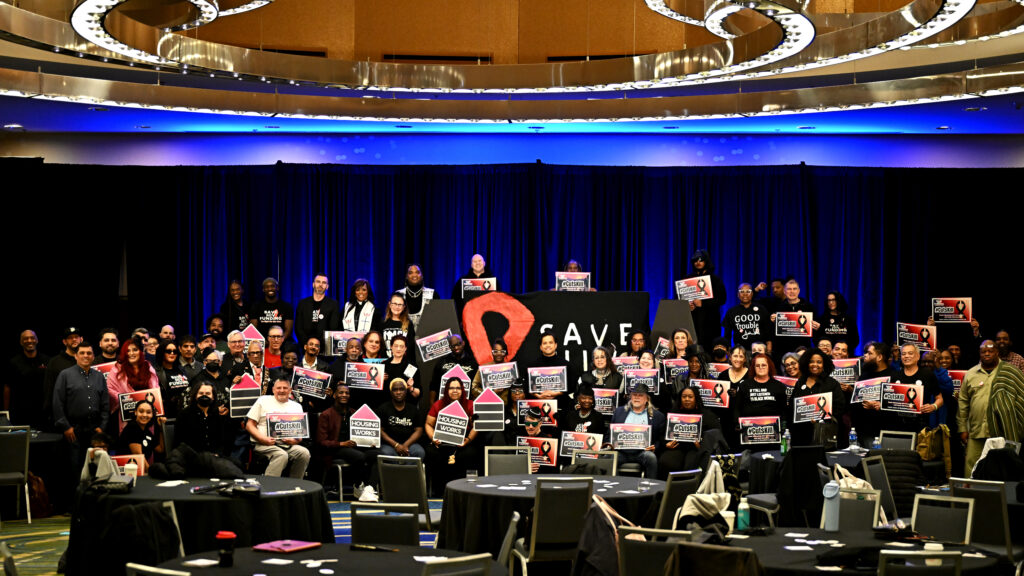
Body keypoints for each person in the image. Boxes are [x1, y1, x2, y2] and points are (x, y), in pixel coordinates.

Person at [53, 341, 108, 477]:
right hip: (73, 430)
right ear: (76, 356)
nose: (85, 356)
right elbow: (57, 403)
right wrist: (66, 427)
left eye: (89, 353)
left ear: (93, 356)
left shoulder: (99, 376)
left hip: (94, 430)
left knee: (96, 469)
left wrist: (102, 426)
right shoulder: (65, 375)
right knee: (75, 469)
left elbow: (105, 404)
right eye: (82, 353)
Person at [316, 385, 379, 495]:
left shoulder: (354, 413)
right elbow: (321, 441)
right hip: (335, 449)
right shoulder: (326, 414)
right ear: (334, 395)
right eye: (341, 392)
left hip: (354, 447)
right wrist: (341, 444)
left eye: (347, 393)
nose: (344, 395)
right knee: (360, 457)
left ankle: (370, 488)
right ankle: (358, 486)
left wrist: (369, 442)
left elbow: (362, 434)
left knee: (378, 455)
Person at [246, 376, 310, 478]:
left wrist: (294, 440)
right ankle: (270, 485)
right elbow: (249, 425)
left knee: (304, 453)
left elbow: (299, 436)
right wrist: (263, 439)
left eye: (285, 388)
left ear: (290, 390)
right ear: (273, 390)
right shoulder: (263, 400)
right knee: (281, 455)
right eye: (278, 388)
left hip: (287, 445)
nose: (282, 390)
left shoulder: (297, 406)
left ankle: (295, 484)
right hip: (264, 444)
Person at [425, 377, 479, 495]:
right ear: (446, 390)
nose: (455, 391)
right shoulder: (438, 404)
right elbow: (428, 424)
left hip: (463, 441)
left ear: (462, 390)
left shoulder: (470, 404)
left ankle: (465, 491)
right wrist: (433, 438)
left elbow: (477, 425)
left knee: (470, 454)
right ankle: (438, 491)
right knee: (431, 453)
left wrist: (468, 439)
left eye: (458, 388)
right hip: (442, 440)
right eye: (451, 388)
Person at [658, 386, 721, 477]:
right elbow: (662, 434)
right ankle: (667, 485)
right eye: (684, 397)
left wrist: (702, 445)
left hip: (696, 449)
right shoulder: (674, 413)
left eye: (690, 397)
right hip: (677, 447)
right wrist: (666, 444)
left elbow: (714, 436)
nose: (687, 399)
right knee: (666, 461)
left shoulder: (708, 415)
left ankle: (689, 485)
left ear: (696, 398)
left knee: (691, 465)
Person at [789, 349, 847, 447]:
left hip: (824, 434)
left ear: (824, 365)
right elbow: (792, 405)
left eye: (819, 362)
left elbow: (840, 407)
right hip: (801, 434)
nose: (815, 365)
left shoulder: (832, 383)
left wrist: (820, 418)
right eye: (811, 361)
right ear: (807, 363)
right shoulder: (800, 382)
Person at [732, 353, 788, 451]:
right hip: (749, 436)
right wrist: (737, 423)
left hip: (773, 436)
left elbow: (784, 410)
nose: (760, 367)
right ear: (753, 368)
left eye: (763, 365)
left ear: (769, 367)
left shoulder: (779, 386)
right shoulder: (744, 385)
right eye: (757, 365)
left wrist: (783, 427)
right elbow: (737, 408)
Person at [609, 384, 665, 479]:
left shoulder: (658, 416)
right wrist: (610, 444)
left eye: (640, 395)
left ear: (647, 399)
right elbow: (609, 434)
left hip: (642, 453)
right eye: (634, 395)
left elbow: (660, 439)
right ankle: (616, 484)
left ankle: (651, 486)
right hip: (621, 452)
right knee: (608, 458)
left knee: (651, 457)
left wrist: (654, 447)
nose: (637, 397)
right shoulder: (619, 412)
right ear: (630, 397)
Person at [884, 344, 943, 433]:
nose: (906, 356)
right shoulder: (894, 375)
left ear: (918, 356)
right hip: (897, 426)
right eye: (903, 354)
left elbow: (940, 399)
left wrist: (933, 406)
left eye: (910, 353)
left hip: (920, 426)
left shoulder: (927, 375)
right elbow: (887, 399)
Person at [107, 340, 160, 433]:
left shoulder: (148, 366)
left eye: (135, 350)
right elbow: (110, 389)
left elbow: (155, 389)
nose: (131, 353)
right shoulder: (116, 369)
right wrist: (126, 399)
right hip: (127, 415)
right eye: (128, 351)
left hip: (147, 414)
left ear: (141, 351)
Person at [524, 331, 578, 413]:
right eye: (544, 343)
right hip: (538, 407)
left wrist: (557, 393)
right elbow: (526, 387)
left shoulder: (565, 365)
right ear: (540, 347)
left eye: (550, 342)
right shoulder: (532, 366)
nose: (548, 345)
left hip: (561, 406)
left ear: (555, 345)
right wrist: (538, 396)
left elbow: (572, 386)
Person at [7, 329, 50, 428]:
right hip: (20, 412)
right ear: (21, 342)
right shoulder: (14, 362)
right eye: (26, 338)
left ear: (37, 340)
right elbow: (7, 387)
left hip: (43, 411)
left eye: (32, 338)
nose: (29, 341)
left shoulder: (47, 361)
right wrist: (6, 411)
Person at [685, 250, 727, 346]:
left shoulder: (715, 279)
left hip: (710, 322)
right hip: (692, 320)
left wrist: (703, 303)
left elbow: (722, 299)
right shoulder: (687, 279)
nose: (698, 262)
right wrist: (687, 306)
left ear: (706, 261)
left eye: (701, 260)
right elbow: (681, 299)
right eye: (695, 260)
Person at [44, 327, 83, 430]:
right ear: (64, 342)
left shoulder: (87, 360)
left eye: (76, 337)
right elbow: (49, 390)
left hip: (84, 416)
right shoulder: (55, 362)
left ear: (81, 339)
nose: (74, 339)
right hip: (63, 416)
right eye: (70, 338)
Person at [176, 382, 229, 457]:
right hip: (192, 457)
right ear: (195, 396)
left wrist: (217, 455)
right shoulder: (184, 415)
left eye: (208, 393)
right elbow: (180, 443)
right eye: (201, 393)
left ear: (213, 397)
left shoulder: (217, 414)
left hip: (215, 457)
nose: (204, 396)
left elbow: (222, 441)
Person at [770, 280, 818, 362]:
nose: (792, 291)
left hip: (803, 349)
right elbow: (772, 331)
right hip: (782, 350)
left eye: (794, 289)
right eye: (789, 289)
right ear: (784, 291)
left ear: (798, 291)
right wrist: (772, 321)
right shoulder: (777, 307)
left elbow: (815, 331)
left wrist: (816, 327)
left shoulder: (808, 307)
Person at [377, 378, 425, 459]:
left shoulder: (413, 409)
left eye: (401, 389)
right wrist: (396, 445)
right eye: (395, 390)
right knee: (385, 453)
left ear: (406, 391)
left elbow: (419, 430)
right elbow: (380, 430)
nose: (398, 392)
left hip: (410, 444)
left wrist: (405, 445)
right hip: (389, 445)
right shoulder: (383, 408)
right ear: (391, 392)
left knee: (419, 452)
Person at [722, 283, 773, 353]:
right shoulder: (731, 311)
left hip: (759, 349)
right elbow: (727, 334)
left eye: (748, 291)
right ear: (738, 294)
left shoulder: (761, 309)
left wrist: (769, 343)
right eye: (742, 291)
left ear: (752, 294)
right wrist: (728, 348)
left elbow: (767, 329)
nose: (745, 294)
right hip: (740, 350)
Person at [430, 334, 479, 404]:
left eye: (458, 344)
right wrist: (432, 404)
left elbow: (476, 386)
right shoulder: (442, 361)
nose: (456, 348)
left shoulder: (473, 363)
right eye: (453, 346)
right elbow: (434, 385)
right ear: (449, 347)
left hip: (465, 403)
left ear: (463, 343)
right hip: (445, 403)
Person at [294, 273, 340, 347]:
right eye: (318, 282)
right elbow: (298, 328)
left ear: (327, 286)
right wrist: (306, 344)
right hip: (305, 346)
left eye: (324, 283)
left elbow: (333, 328)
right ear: (313, 284)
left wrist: (318, 345)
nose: (320, 285)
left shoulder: (333, 305)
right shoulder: (302, 303)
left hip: (324, 347)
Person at [116, 400, 164, 465]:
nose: (144, 415)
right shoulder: (132, 427)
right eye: (141, 411)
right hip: (126, 468)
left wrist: (161, 428)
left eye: (148, 412)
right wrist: (151, 470)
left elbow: (160, 449)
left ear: (152, 414)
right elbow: (139, 456)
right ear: (135, 412)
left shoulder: (147, 431)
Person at [514, 406, 557, 472]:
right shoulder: (519, 439)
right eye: (527, 423)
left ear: (540, 423)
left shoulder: (548, 441)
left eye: (534, 424)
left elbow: (553, 470)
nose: (530, 427)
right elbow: (514, 463)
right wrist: (525, 468)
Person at [471, 337, 513, 402]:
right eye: (495, 351)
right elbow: (473, 388)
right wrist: (491, 393)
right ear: (492, 352)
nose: (499, 354)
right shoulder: (484, 368)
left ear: (505, 353)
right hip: (488, 404)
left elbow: (516, 389)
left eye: (502, 351)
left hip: (506, 406)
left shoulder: (511, 369)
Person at [155, 340, 189, 418]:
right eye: (168, 351)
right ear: (162, 352)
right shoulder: (155, 372)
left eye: (175, 351)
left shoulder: (181, 369)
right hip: (167, 414)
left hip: (184, 413)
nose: (172, 353)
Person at [397, 264, 435, 330]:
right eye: (410, 273)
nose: (414, 275)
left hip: (426, 334)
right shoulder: (398, 294)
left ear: (422, 275)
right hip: (402, 333)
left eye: (417, 272)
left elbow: (437, 318)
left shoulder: (433, 294)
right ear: (406, 276)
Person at [380, 292, 416, 357]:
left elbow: (411, 347)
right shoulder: (383, 323)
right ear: (390, 304)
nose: (397, 307)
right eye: (395, 304)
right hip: (386, 361)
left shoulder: (408, 323)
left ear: (404, 307)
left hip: (404, 361)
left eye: (400, 304)